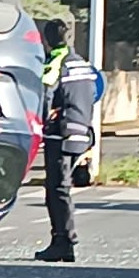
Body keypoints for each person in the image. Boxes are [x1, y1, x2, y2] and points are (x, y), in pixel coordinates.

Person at [34, 18, 99, 263]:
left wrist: (39, 122)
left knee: (57, 189)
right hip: (82, 131)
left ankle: (63, 241)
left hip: (60, 134)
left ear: (47, 41)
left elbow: (45, 96)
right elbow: (92, 93)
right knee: (62, 188)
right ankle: (63, 240)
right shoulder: (82, 64)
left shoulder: (54, 64)